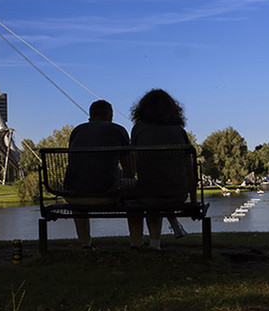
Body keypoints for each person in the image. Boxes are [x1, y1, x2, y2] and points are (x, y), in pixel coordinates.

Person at [125, 88, 193, 250]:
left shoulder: (138, 130)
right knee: (155, 188)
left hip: (149, 193)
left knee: (138, 194)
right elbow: (190, 168)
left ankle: (135, 243)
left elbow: (132, 166)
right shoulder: (179, 131)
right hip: (178, 193)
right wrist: (194, 198)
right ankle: (155, 243)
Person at [63, 99, 132, 247]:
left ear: (90, 115)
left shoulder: (77, 131)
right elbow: (130, 169)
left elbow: (77, 165)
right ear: (111, 116)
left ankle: (85, 242)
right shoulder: (118, 130)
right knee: (135, 190)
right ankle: (136, 243)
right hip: (106, 195)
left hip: (73, 195)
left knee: (81, 184)